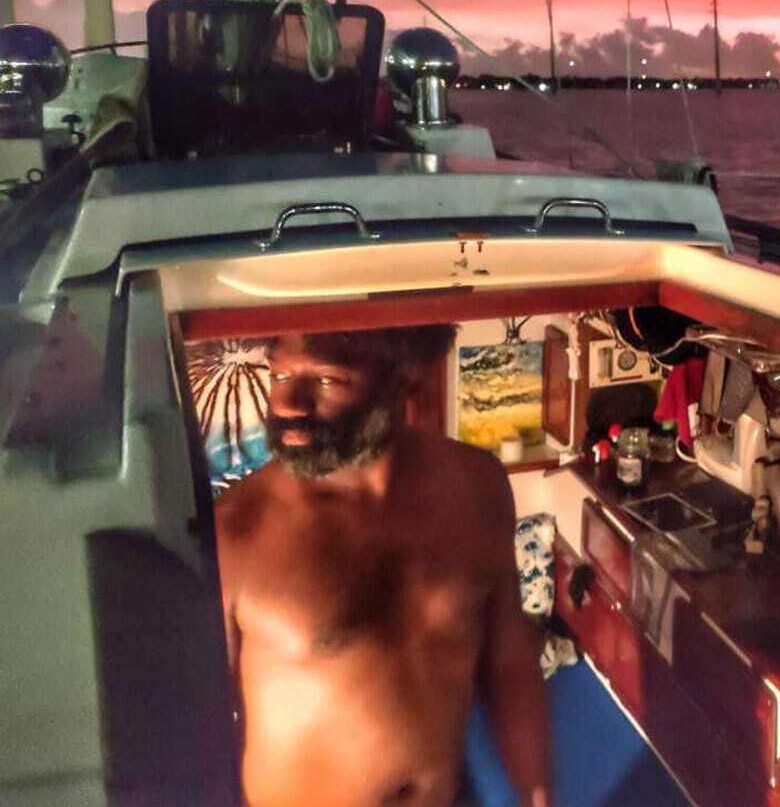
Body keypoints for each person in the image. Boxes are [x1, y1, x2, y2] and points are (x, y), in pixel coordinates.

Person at [214, 326, 551, 807]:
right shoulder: (236, 528)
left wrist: (539, 798)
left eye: (327, 379)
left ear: (402, 377)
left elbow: (509, 661)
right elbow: (194, 732)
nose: (288, 402)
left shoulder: (478, 485)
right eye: (280, 372)